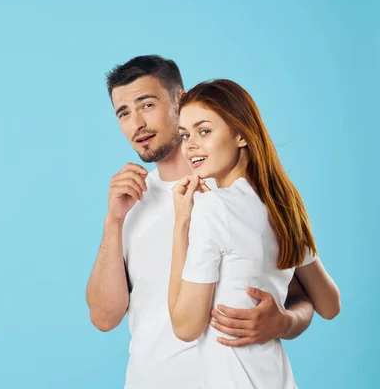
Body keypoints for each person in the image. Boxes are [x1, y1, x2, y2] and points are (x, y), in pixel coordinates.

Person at [85, 55, 316, 389]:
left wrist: (285, 322)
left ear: (181, 100)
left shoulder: (238, 195)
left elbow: (303, 294)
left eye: (146, 104)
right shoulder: (132, 201)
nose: (136, 124)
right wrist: (113, 222)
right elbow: (104, 317)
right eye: (123, 113)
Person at [168, 79, 341, 388]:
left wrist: (182, 221)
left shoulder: (213, 208)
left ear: (240, 135)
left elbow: (185, 326)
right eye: (185, 134)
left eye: (204, 131)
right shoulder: (281, 205)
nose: (190, 144)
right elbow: (329, 304)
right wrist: (285, 322)